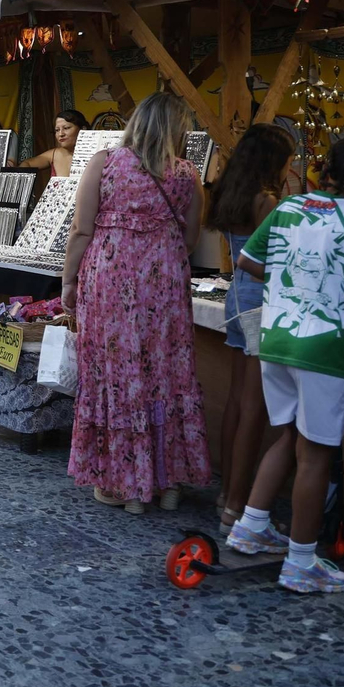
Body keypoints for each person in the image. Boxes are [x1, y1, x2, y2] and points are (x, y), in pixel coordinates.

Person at [226, 135, 344, 594]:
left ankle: (251, 526)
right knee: (315, 454)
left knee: (290, 434)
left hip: (277, 338)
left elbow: (248, 261)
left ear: (326, 168)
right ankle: (300, 563)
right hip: (323, 345)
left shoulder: (289, 207)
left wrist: (293, 284)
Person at [61, 92, 209, 514]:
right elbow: (191, 237)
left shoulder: (105, 162)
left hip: (110, 280)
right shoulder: (187, 175)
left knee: (116, 373)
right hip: (164, 282)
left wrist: (69, 283)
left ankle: (124, 485)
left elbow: (81, 230)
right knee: (166, 374)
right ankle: (166, 482)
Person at [207, 123, 297, 532]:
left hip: (237, 298)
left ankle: (227, 494)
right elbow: (278, 263)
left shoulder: (232, 192)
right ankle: (237, 508)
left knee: (237, 403)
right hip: (262, 298)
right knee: (254, 408)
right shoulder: (269, 202)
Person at [15, 109, 88, 177]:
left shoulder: (96, 154)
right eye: (57, 130)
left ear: (82, 129)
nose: (61, 134)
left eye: (66, 128)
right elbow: (27, 163)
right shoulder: (53, 154)